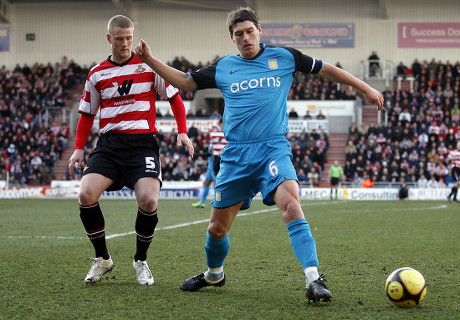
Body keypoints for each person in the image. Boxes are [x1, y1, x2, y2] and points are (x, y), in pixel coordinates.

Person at [134, 7, 383, 302]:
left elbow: (326, 68)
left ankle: (314, 279)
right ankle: (215, 275)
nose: (245, 37)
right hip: (236, 155)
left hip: (272, 148)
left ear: (259, 30)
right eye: (239, 34)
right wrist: (150, 60)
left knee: (291, 205)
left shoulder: (285, 57)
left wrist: (364, 86)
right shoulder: (224, 67)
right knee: (215, 229)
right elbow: (186, 82)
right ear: (232, 38)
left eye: (250, 31)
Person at [68, 15, 194, 286]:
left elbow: (175, 98)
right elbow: (87, 115)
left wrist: (182, 131)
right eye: (119, 39)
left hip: (142, 145)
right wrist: (79, 148)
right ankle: (102, 259)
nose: (125, 44)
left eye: (129, 38)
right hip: (109, 146)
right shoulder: (97, 73)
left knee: (148, 201)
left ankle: (140, 260)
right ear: (109, 39)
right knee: (85, 194)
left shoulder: (148, 67)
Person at [192, 122, 227, 208]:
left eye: (213, 129)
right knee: (206, 183)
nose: (210, 130)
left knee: (217, 184)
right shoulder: (213, 142)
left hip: (214, 166)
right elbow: (208, 154)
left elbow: (208, 155)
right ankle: (202, 202)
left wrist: (196, 155)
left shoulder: (218, 142)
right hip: (210, 166)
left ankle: (218, 202)